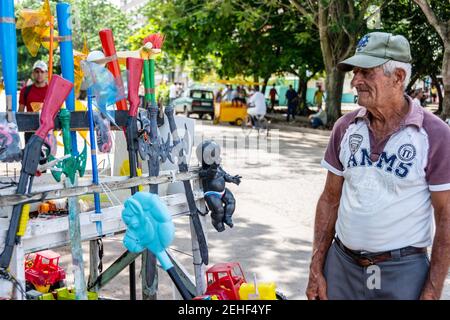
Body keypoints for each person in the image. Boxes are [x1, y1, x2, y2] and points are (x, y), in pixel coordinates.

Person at [306, 32, 450, 300]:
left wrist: (432, 290)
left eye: (366, 72)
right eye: (355, 72)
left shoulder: (435, 135)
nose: (355, 81)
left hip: (403, 272)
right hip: (341, 266)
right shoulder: (344, 128)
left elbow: (446, 217)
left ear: (398, 77)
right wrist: (316, 267)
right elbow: (329, 199)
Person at [19, 60, 49, 144]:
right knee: (30, 156)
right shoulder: (25, 90)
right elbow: (20, 112)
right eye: (37, 71)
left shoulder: (51, 91)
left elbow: (57, 111)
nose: (39, 74)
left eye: (42, 72)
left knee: (47, 156)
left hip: (47, 132)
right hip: (30, 131)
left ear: (46, 73)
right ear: (33, 73)